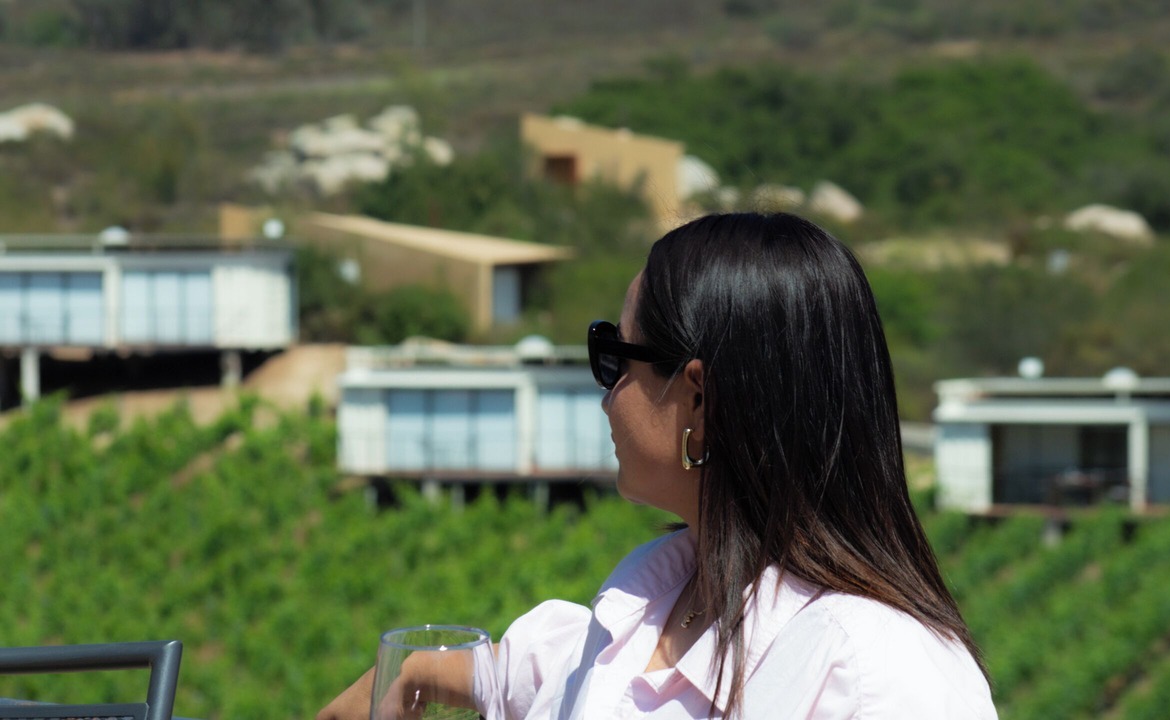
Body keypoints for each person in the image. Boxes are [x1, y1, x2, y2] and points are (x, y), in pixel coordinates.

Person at [318, 212, 997, 719]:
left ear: (696, 396)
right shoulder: (655, 605)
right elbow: (533, 677)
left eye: (617, 358)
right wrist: (414, 671)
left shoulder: (877, 674)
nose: (607, 394)